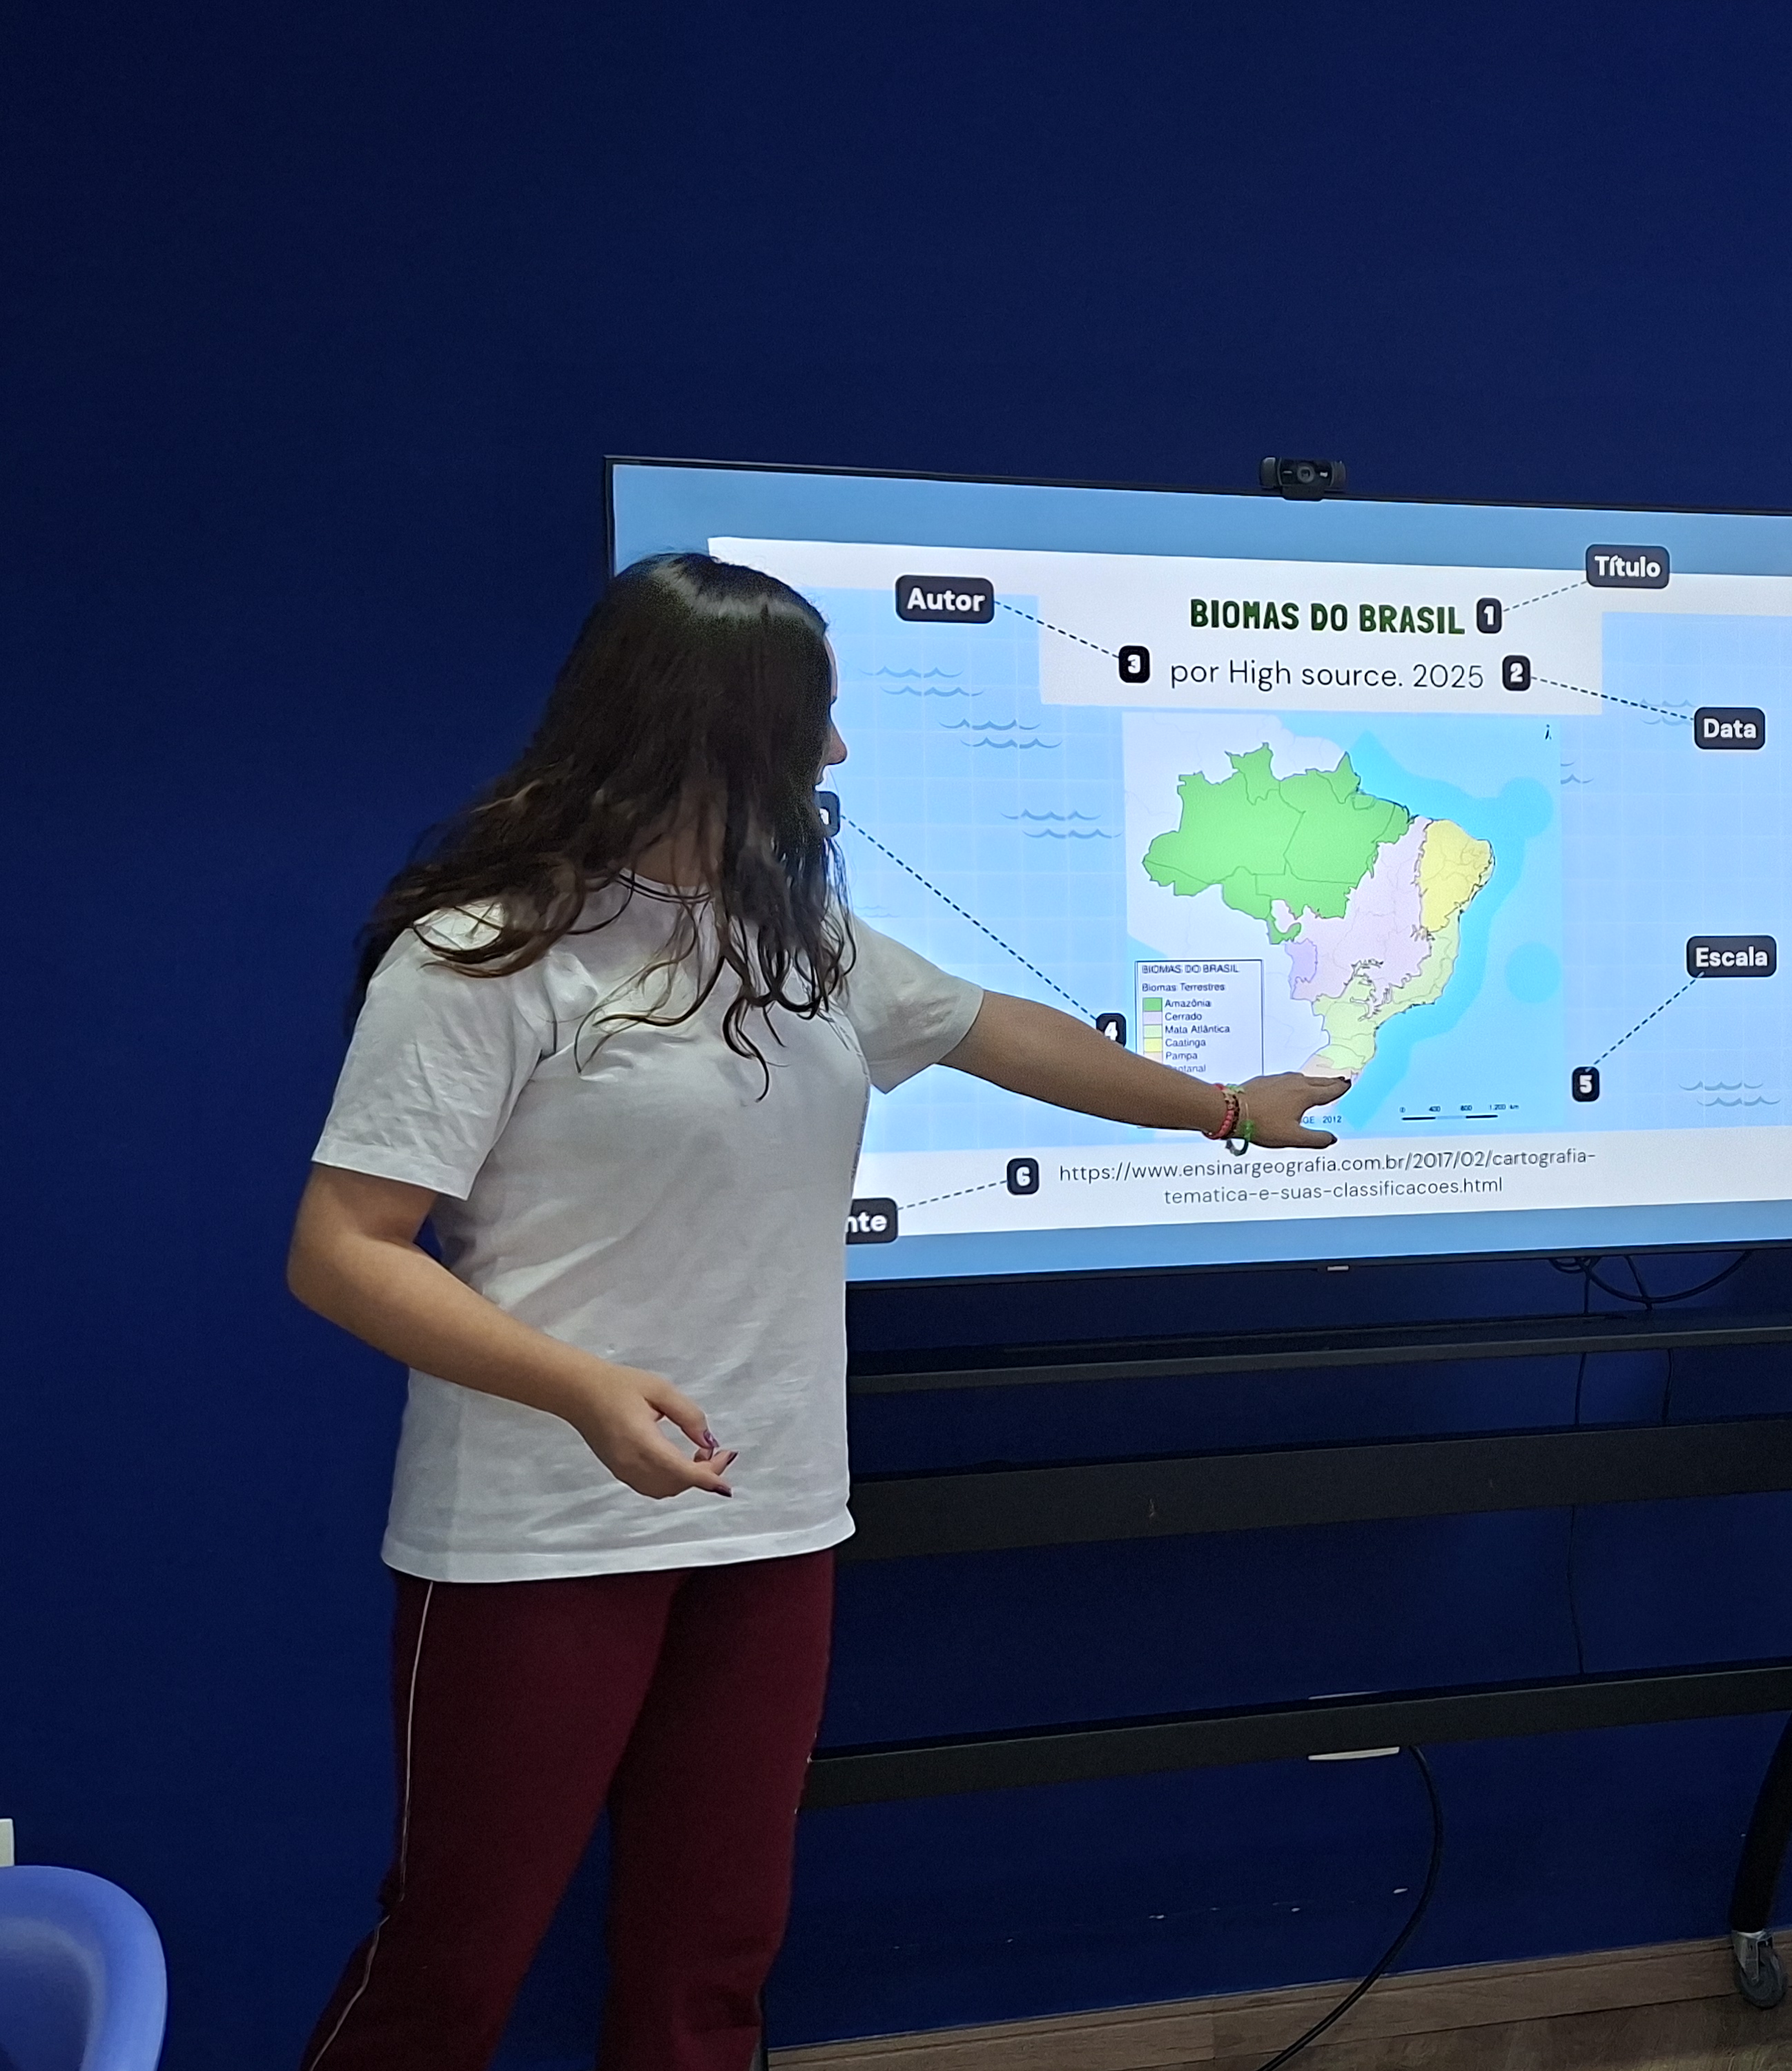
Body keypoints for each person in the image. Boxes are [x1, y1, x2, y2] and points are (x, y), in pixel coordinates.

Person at [286, 554, 1347, 2071]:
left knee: (711, 1958)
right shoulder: (483, 955)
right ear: (711, 732)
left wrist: (1227, 1108)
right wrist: (583, 1388)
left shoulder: (802, 943)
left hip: (772, 1522)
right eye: (814, 721)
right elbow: (343, 1251)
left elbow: (1002, 1032)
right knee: (455, 1958)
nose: (835, 753)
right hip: (539, 1535)